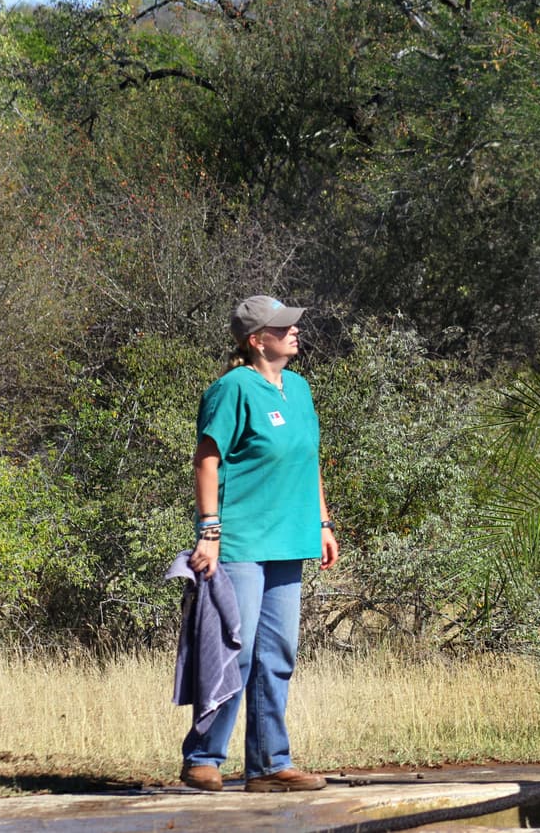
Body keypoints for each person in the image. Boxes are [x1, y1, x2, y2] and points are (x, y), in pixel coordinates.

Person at [179, 295, 340, 793]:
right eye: (283, 327)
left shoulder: (298, 388)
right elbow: (207, 458)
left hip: (290, 539)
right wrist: (209, 531)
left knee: (278, 653)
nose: (294, 332)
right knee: (237, 649)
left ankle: (269, 766)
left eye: (293, 326)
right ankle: (203, 757)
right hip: (241, 540)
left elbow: (309, 459)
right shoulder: (232, 388)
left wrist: (323, 523)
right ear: (256, 340)